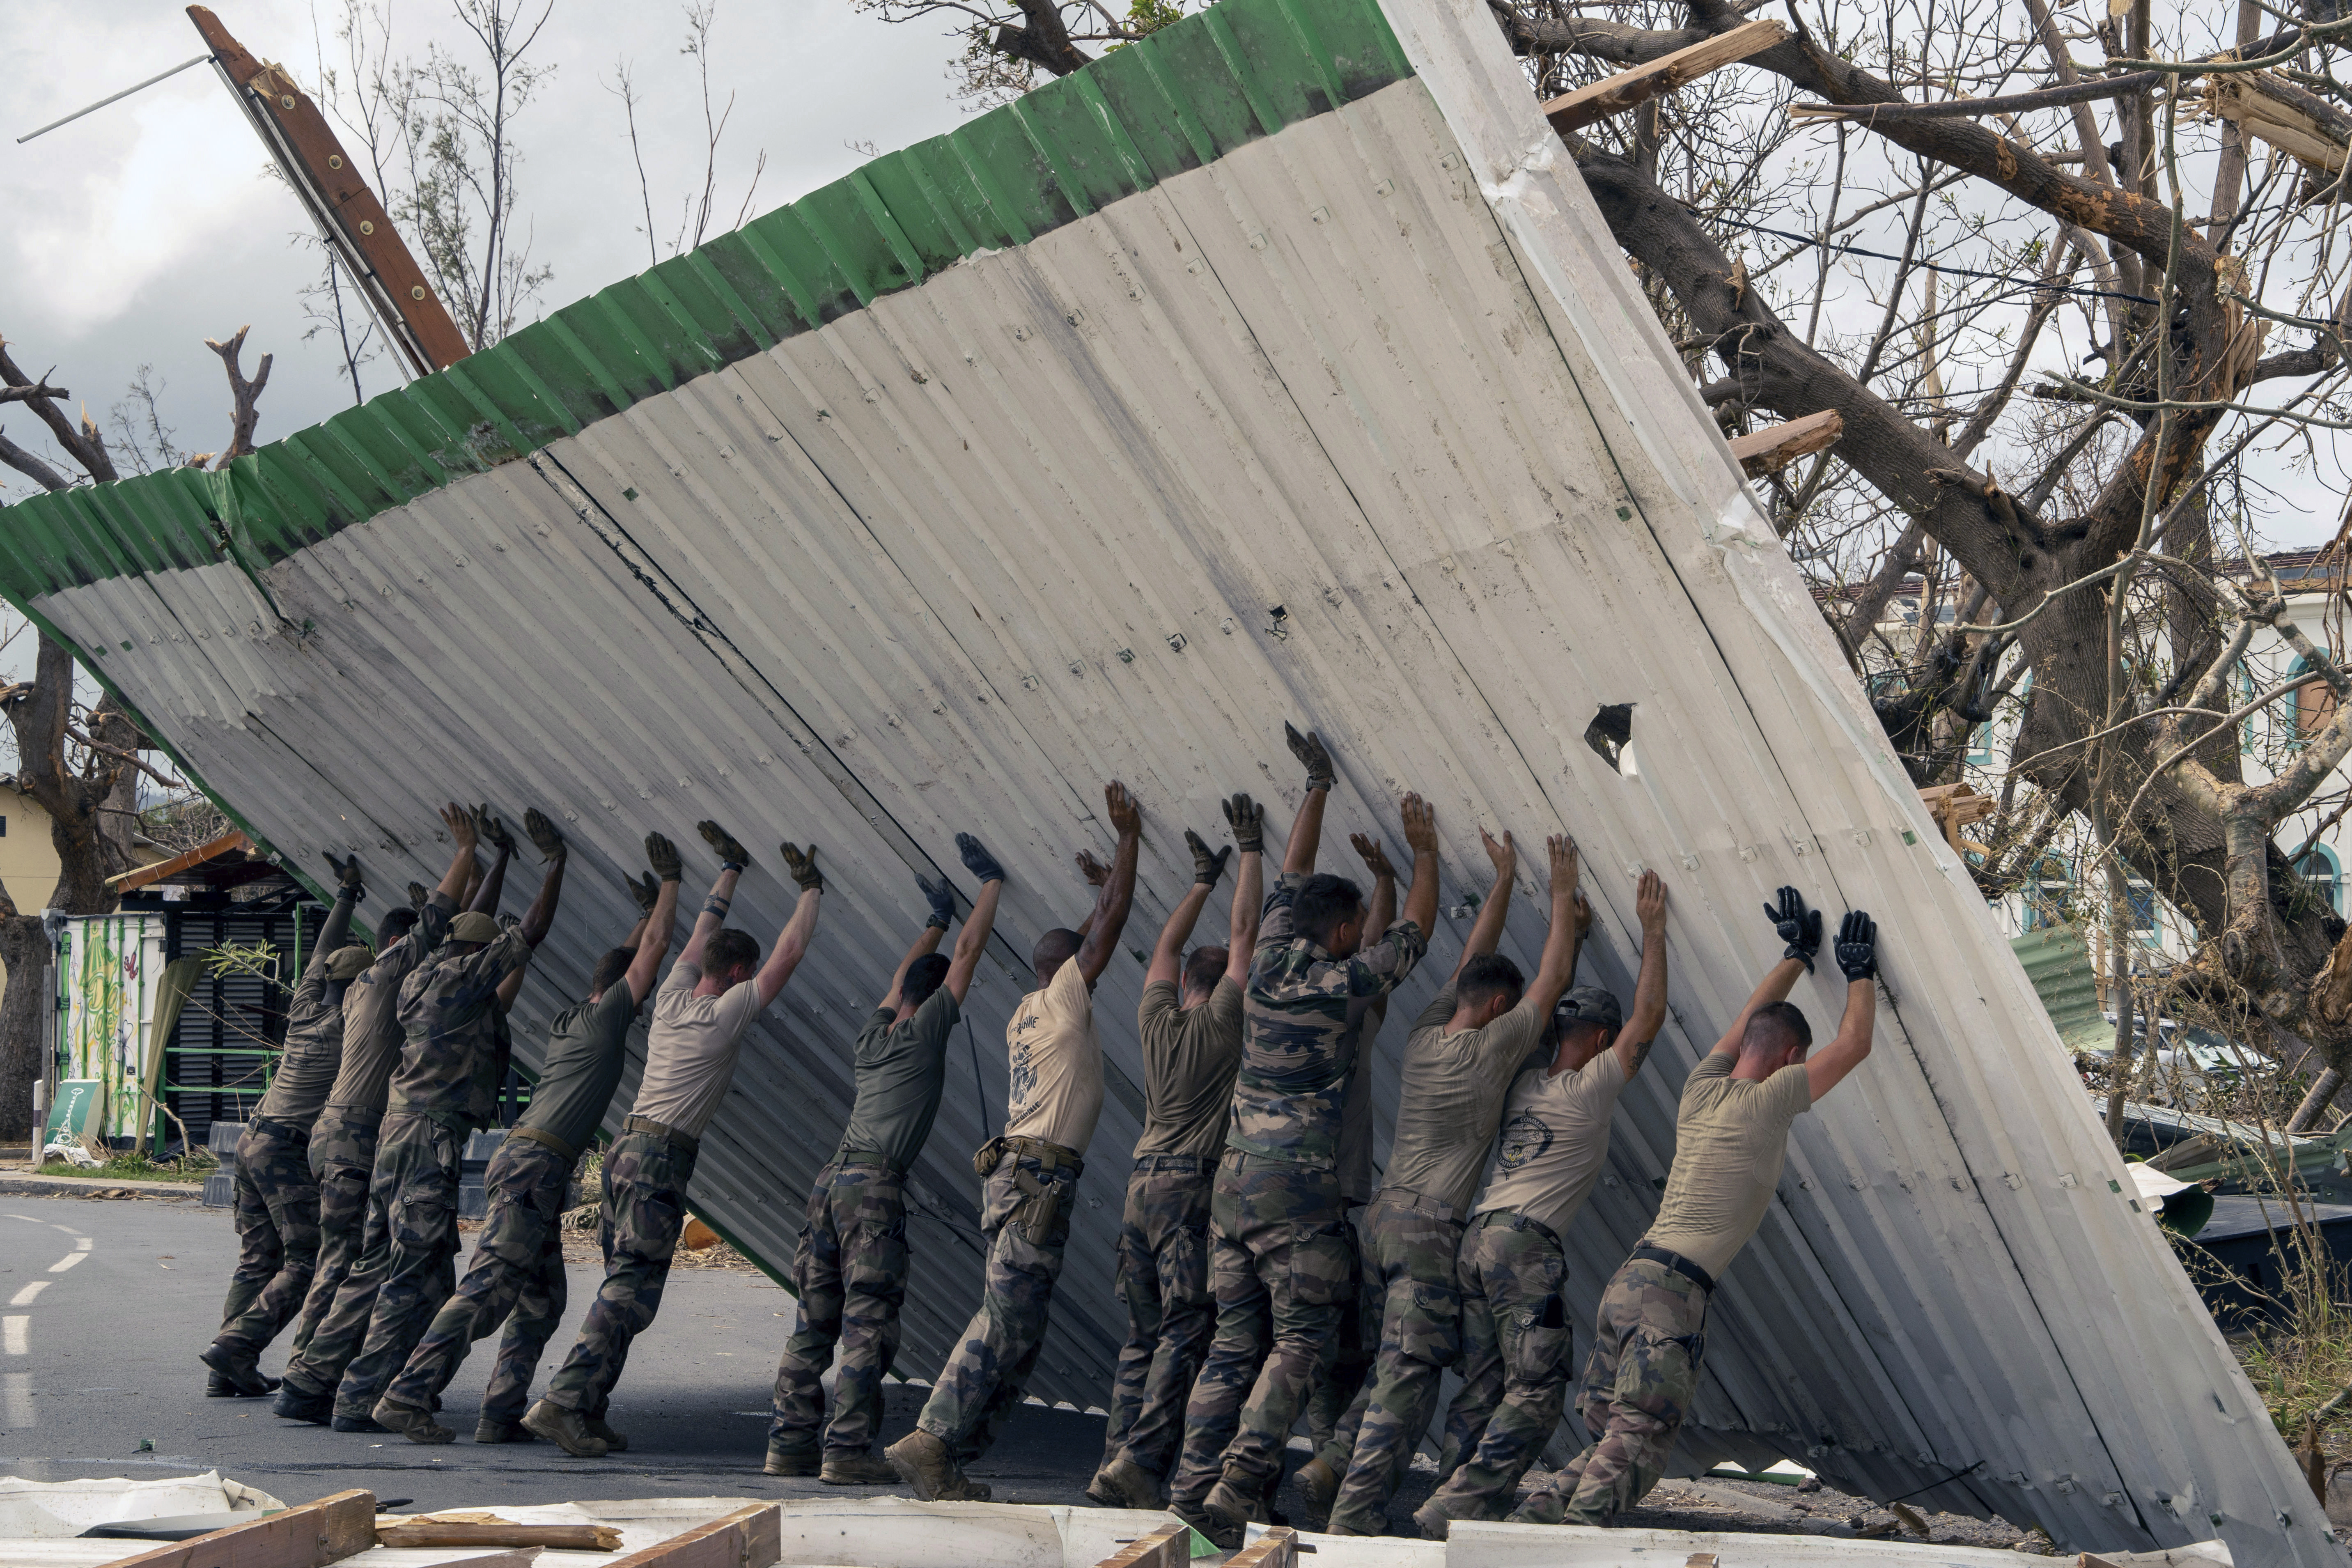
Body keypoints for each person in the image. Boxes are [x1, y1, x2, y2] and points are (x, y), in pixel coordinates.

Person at [1510, 888, 1878, 1527]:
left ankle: (1522, 1529)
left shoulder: (1699, 1088)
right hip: (1670, 1295)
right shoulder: (1772, 1100)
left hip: (1627, 1283)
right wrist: (1860, 973)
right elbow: (1852, 1046)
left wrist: (1795, 956)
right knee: (1638, 1442)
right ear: (1790, 1060)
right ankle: (1569, 1544)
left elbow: (1745, 1023)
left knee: (1610, 1440)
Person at [1168, 726, 1437, 1548]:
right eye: (1358, 923)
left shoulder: (1276, 954)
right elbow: (1415, 936)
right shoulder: (1340, 980)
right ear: (1344, 929)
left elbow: (1291, 869)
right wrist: (1425, 857)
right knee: (1299, 1341)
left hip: (1235, 1186)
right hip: (1299, 1191)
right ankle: (1241, 1479)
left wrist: (1315, 785)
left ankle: (1190, 1481)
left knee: (1233, 1343)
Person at [1310, 831, 1590, 1536]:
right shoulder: (1494, 1047)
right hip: (1432, 1230)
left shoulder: (1428, 1033)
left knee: (1392, 1356)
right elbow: (1552, 982)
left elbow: (1469, 961)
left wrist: (1500, 882)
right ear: (1499, 1009)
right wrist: (1562, 896)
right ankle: (1353, 1514)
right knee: (1410, 1376)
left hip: (1382, 1215)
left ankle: (1334, 1455)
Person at [525, 822, 826, 1457]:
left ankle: (587, 1409)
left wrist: (730, 871)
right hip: (661, 1157)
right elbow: (790, 955)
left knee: (623, 1283)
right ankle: (563, 1401)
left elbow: (695, 935)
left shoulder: (670, 997)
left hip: (624, 1149)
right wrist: (810, 889)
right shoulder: (727, 1013)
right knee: (633, 1288)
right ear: (740, 972)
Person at [373, 833, 684, 1444]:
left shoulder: (576, 1017)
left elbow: (619, 964)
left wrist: (642, 916)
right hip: (531, 1168)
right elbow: (644, 958)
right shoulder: (602, 1019)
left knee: (541, 1298)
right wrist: (666, 892)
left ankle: (500, 1412)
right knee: (487, 1288)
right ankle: (406, 1395)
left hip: (524, 1162)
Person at [886, 785, 1143, 1501]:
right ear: (1069, 971)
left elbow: (1094, 927)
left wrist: (1099, 892)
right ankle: (933, 1438)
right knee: (1005, 1318)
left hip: (1018, 1175)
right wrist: (1128, 842)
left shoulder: (1030, 1008)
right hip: (1036, 1181)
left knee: (1021, 1327)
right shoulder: (1063, 997)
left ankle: (951, 1457)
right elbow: (1108, 929)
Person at [1415, 869, 1668, 1538]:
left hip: (1476, 1241)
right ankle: (1459, 1505)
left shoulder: (1526, 1080)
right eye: (1607, 1036)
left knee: (1482, 1383)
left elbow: (1558, 1020)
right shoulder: (1590, 1089)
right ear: (1599, 1037)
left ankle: (1450, 1498)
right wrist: (1652, 931)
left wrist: (1575, 940)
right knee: (1535, 1390)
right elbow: (1648, 1018)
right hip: (1524, 1248)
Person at [767, 845, 1005, 1482]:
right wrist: (991, 885)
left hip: (829, 1185)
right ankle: (845, 1452)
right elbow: (968, 956)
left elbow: (905, 977)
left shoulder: (871, 1039)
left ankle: (787, 1444)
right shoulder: (927, 1033)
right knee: (866, 1325)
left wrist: (934, 918)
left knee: (813, 1321)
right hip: (874, 1189)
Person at [328, 808, 570, 1429]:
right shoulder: (460, 980)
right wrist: (555, 865)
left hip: (397, 1137)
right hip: (426, 1140)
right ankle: (363, 1398)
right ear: (476, 953)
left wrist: (499, 863)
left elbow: (473, 927)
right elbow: (530, 934)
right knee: (409, 1277)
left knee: (416, 1272)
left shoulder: (424, 973)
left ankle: (379, 1392)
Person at [275, 806, 485, 1425]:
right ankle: (312, 1377)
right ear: (402, 947)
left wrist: (344, 894)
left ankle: (313, 1377)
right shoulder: (395, 971)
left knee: (357, 1260)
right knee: (358, 1263)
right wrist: (467, 852)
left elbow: (322, 954)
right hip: (362, 1135)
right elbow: (441, 921)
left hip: (343, 1132)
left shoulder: (355, 984)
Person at [1087, 795, 1264, 1512]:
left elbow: (1162, 949)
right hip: (1191, 1188)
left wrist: (1199, 881)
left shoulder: (1155, 1016)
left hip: (1140, 1187)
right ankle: (1140, 1462)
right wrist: (1250, 850)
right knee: (1187, 1330)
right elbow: (1246, 935)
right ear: (1217, 987)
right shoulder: (1225, 1023)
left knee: (1141, 1334)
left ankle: (1114, 1461)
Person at [200, 852, 374, 1397]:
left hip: (252, 1140)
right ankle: (237, 1347)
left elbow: (324, 953)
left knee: (257, 1261)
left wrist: (345, 896)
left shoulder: (305, 1007)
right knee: (306, 1259)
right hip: (283, 1152)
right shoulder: (352, 1026)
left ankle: (224, 1371)